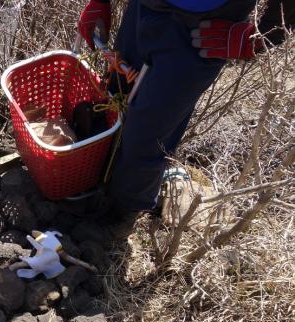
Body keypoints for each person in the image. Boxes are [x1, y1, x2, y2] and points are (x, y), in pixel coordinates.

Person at [77, 0, 294, 240]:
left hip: (203, 30)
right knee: (115, 96)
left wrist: (263, 35)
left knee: (147, 132)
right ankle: (94, 182)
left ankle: (121, 215)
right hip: (144, 8)